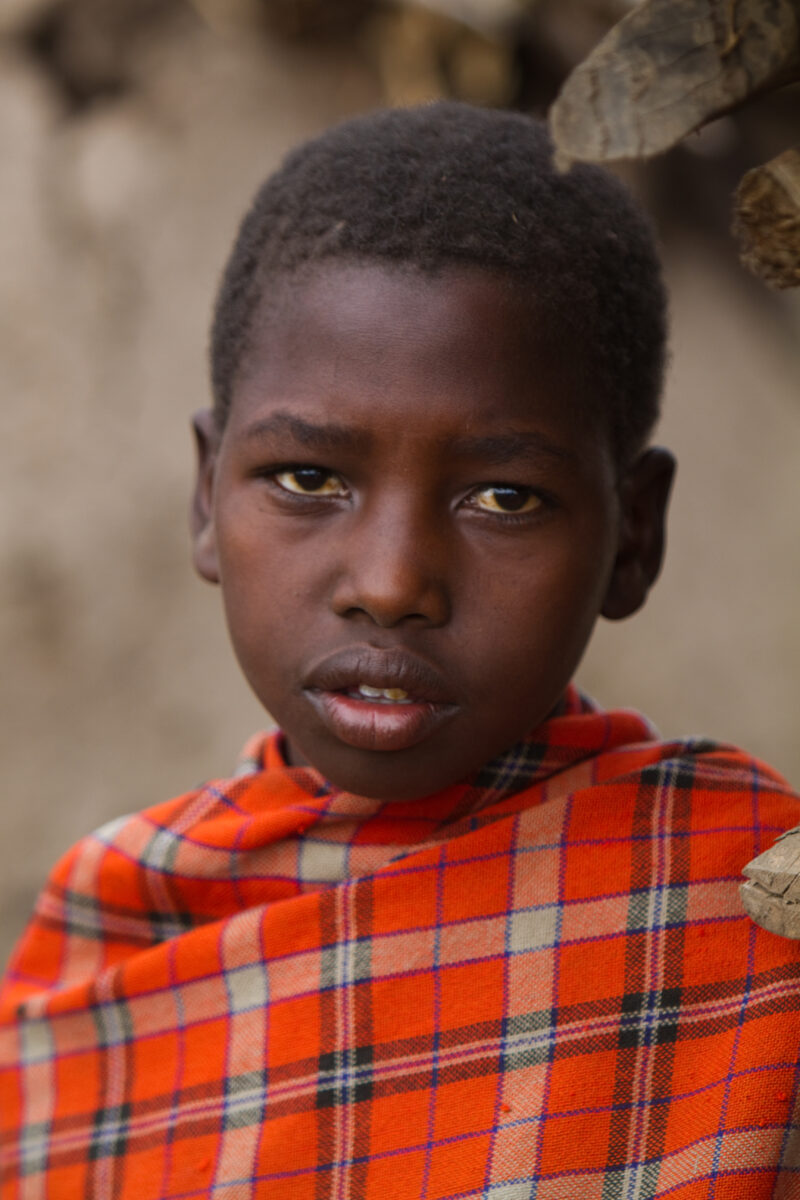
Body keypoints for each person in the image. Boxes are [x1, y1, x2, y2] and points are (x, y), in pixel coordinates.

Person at [1, 102, 798, 1199]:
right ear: (203, 498)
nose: (389, 583)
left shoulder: (743, 903)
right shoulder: (124, 927)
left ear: (633, 536)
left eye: (502, 496)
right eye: (308, 479)